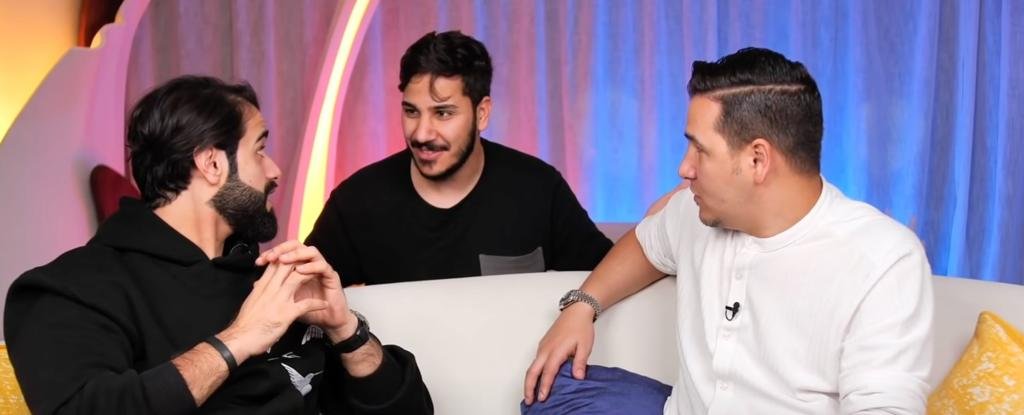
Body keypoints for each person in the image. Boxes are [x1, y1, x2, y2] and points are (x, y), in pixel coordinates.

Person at [523, 48, 933, 414]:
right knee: (548, 388)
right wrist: (582, 306)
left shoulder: (884, 257)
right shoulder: (695, 210)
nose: (684, 168)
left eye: (700, 149)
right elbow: (646, 245)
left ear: (757, 160)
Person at [4, 76, 432, 414]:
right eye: (260, 150)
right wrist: (240, 338)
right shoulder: (71, 288)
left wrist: (346, 330)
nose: (274, 170)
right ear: (212, 163)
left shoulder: (270, 280)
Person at [305, 31, 612, 286]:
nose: (422, 133)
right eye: (411, 111)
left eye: (443, 113)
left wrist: (580, 309)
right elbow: (298, 300)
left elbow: (607, 277)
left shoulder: (538, 188)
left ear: (482, 113)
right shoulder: (357, 200)